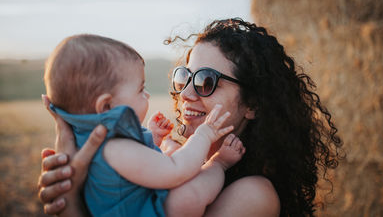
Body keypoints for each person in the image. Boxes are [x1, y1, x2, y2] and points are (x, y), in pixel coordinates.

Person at [38, 19, 343, 216]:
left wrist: (72, 209)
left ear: (253, 103)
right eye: (185, 77)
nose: (185, 93)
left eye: (207, 81)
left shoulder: (253, 196)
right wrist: (75, 189)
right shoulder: (170, 155)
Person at [42, 34, 245, 217]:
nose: (184, 94)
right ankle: (218, 166)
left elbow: (134, 173)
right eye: (141, 89)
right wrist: (205, 135)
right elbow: (174, 170)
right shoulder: (116, 148)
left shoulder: (96, 143)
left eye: (206, 81)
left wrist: (153, 139)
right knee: (186, 198)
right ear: (106, 106)